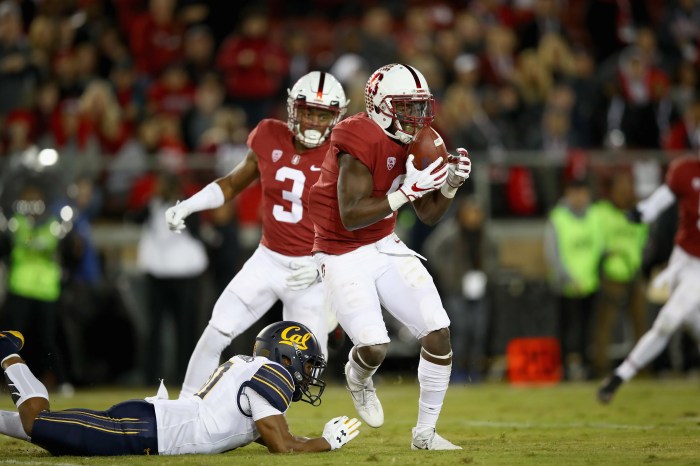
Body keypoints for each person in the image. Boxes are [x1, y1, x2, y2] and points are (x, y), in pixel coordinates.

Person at [308, 63, 471, 450]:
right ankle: (358, 376)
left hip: (383, 242)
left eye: (420, 107)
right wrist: (407, 192)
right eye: (407, 107)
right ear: (381, 106)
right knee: (374, 346)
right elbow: (349, 216)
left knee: (438, 331)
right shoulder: (357, 136)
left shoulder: (422, 139)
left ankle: (425, 435)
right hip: (339, 249)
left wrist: (448, 186)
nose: (417, 117)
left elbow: (429, 215)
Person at [165, 71, 348, 398]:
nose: (314, 121)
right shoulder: (268, 134)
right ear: (293, 109)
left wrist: (324, 264)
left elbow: (353, 220)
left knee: (304, 370)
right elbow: (233, 183)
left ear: (336, 117)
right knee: (217, 330)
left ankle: (269, 420)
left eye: (323, 115)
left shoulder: (343, 154)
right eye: (308, 111)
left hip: (310, 271)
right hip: (268, 260)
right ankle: (183, 407)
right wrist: (189, 205)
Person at [0, 322, 361, 455]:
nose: (309, 374)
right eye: (309, 364)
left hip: (148, 423)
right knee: (37, 422)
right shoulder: (272, 374)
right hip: (144, 431)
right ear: (287, 357)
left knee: (49, 435)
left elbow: (266, 435)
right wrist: (325, 442)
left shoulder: (250, 367)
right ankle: (7, 354)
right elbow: (282, 446)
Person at [598, 153, 700, 403]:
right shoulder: (685, 170)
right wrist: (642, 212)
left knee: (669, 318)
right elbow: (660, 201)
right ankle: (619, 376)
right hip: (682, 258)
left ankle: (618, 377)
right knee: (691, 323)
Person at [544, 178, 604, 380]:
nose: (579, 198)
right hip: (565, 287)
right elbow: (553, 253)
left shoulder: (595, 216)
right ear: (568, 194)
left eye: (583, 193)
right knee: (565, 330)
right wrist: (569, 278)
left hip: (590, 284)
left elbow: (600, 248)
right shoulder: (558, 217)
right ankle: (564, 370)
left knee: (588, 331)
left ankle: (587, 368)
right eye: (575, 193)